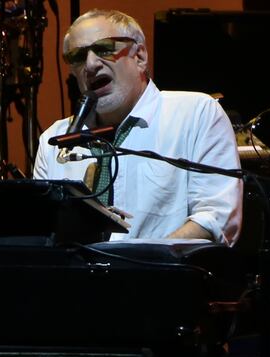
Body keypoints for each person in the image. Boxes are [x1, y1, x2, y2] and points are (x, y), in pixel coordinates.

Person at [33, 9, 243, 246]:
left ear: (140, 57)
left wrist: (140, 264)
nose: (90, 64)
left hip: (164, 278)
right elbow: (43, 235)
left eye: (104, 49)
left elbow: (215, 219)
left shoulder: (195, 114)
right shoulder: (54, 140)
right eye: (78, 56)